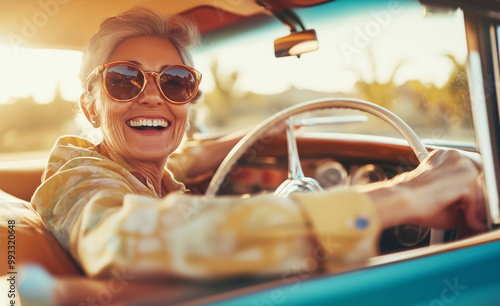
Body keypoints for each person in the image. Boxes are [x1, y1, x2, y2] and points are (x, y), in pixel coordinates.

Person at [31, 7, 486, 280]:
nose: (153, 94)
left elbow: (179, 161)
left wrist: (229, 145)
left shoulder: (140, 174)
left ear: (188, 100)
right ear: (90, 108)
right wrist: (403, 195)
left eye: (175, 82)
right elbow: (128, 241)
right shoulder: (76, 182)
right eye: (124, 80)